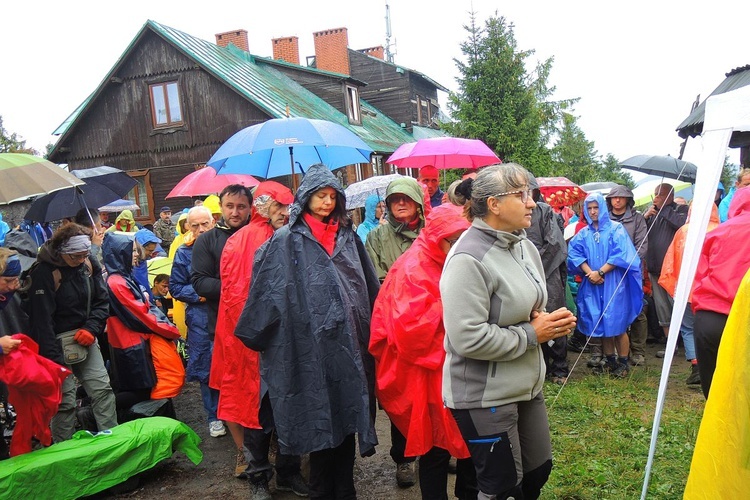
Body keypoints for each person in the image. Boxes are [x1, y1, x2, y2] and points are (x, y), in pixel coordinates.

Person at [235, 164, 379, 500]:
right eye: (320, 195)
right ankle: (320, 492)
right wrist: (262, 333)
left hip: (348, 349)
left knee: (345, 424)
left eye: (332, 196)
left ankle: (345, 491)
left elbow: (366, 288)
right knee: (318, 423)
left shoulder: (348, 237)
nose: (327, 202)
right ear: (306, 198)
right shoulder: (285, 241)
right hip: (307, 351)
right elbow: (267, 290)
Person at [441, 163, 576, 499]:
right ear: (494, 205)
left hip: (526, 384)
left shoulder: (523, 246)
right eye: (520, 195)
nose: (531, 203)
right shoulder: (467, 258)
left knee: (537, 471)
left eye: (529, 194)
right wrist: (533, 334)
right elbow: (467, 337)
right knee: (502, 488)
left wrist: (545, 320)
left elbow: (524, 305)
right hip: (484, 395)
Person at [370, 203, 476, 500]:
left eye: (461, 239)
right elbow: (410, 330)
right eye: (451, 240)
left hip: (450, 368)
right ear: (436, 237)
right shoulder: (414, 267)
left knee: (466, 438)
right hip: (427, 373)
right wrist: (459, 306)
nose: (457, 246)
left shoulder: (448, 259)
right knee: (436, 446)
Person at [214, 181, 308, 498]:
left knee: (290, 409)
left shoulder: (294, 237)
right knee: (256, 413)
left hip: (288, 342)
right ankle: (258, 478)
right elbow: (239, 299)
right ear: (265, 206)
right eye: (278, 206)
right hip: (254, 345)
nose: (285, 212)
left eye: (288, 205)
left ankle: (288, 471)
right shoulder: (242, 242)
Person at [27, 223, 117, 442]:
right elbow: (41, 321)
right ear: (62, 252)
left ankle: (113, 440)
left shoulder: (88, 264)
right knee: (64, 402)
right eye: (75, 256)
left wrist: (91, 328)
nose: (80, 260)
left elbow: (102, 300)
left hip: (86, 337)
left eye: (84, 254)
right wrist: (55, 362)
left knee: (102, 390)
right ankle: (62, 449)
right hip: (55, 342)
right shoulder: (44, 273)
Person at [364, 175, 426, 486]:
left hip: (430, 325)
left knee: (432, 392)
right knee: (401, 395)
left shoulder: (430, 234)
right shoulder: (377, 237)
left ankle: (437, 452)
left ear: (418, 202)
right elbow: (375, 278)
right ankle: (404, 458)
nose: (400, 203)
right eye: (393, 199)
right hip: (394, 326)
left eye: (406, 198)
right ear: (386, 205)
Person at [191, 185, 252, 440]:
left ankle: (265, 442)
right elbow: (199, 281)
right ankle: (242, 450)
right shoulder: (208, 241)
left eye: (241, 206)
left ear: (250, 208)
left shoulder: (260, 235)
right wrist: (239, 286)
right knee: (232, 389)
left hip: (262, 326)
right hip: (224, 327)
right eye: (230, 206)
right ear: (221, 207)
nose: (235, 212)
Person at [103, 233, 184, 420]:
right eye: (130, 251)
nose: (135, 255)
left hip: (132, 342)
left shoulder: (122, 278)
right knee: (141, 390)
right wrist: (169, 329)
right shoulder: (117, 282)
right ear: (119, 253)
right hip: (131, 344)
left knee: (146, 388)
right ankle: (92, 410)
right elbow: (141, 315)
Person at [568, 193, 643, 377]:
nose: (593, 212)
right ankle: (611, 361)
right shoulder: (584, 233)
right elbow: (574, 254)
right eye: (590, 208)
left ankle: (623, 363)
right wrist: (590, 273)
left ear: (602, 207)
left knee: (617, 323)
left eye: (596, 207)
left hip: (614, 283)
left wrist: (600, 272)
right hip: (593, 284)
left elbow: (621, 254)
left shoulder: (616, 229)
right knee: (602, 324)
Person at [169, 206, 226, 439]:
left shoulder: (225, 243)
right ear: (188, 227)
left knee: (230, 362)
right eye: (195, 226)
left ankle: (232, 412)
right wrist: (200, 294)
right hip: (201, 316)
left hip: (225, 311)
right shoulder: (184, 252)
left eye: (204, 224)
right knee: (206, 365)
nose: (201, 229)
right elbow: (175, 286)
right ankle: (214, 416)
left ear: (213, 222)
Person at [692, 187, 750, 398]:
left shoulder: (718, 232)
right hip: (743, 316)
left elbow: (699, 277)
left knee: (714, 386)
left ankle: (716, 427)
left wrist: (698, 308)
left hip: (711, 315)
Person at [658, 203, 720, 386]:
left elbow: (671, 261)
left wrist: (674, 285)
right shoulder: (722, 230)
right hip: (712, 291)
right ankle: (714, 367)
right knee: (712, 328)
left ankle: (696, 367)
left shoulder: (684, 232)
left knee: (687, 327)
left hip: (686, 290)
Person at [526, 175, 569, 384]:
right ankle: (539, 365)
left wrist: (535, 268)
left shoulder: (544, 211)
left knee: (554, 315)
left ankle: (560, 368)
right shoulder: (513, 214)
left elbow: (555, 245)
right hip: (522, 273)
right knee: (531, 317)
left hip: (547, 272)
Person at [605, 185, 649, 366]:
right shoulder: (604, 218)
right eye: (614, 197)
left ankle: (638, 351)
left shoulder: (638, 219)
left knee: (637, 309)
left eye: (621, 197)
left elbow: (642, 246)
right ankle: (604, 353)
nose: (617, 200)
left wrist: (627, 265)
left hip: (631, 271)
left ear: (627, 200)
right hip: (608, 271)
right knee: (606, 308)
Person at [643, 183, 688, 342]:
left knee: (676, 304)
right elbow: (640, 234)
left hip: (673, 270)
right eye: (656, 193)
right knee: (662, 307)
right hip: (654, 268)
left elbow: (682, 225)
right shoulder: (651, 212)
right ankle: (670, 343)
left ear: (670, 195)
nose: (657, 197)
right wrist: (645, 217)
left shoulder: (680, 209)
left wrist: (664, 209)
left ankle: (684, 339)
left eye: (661, 194)